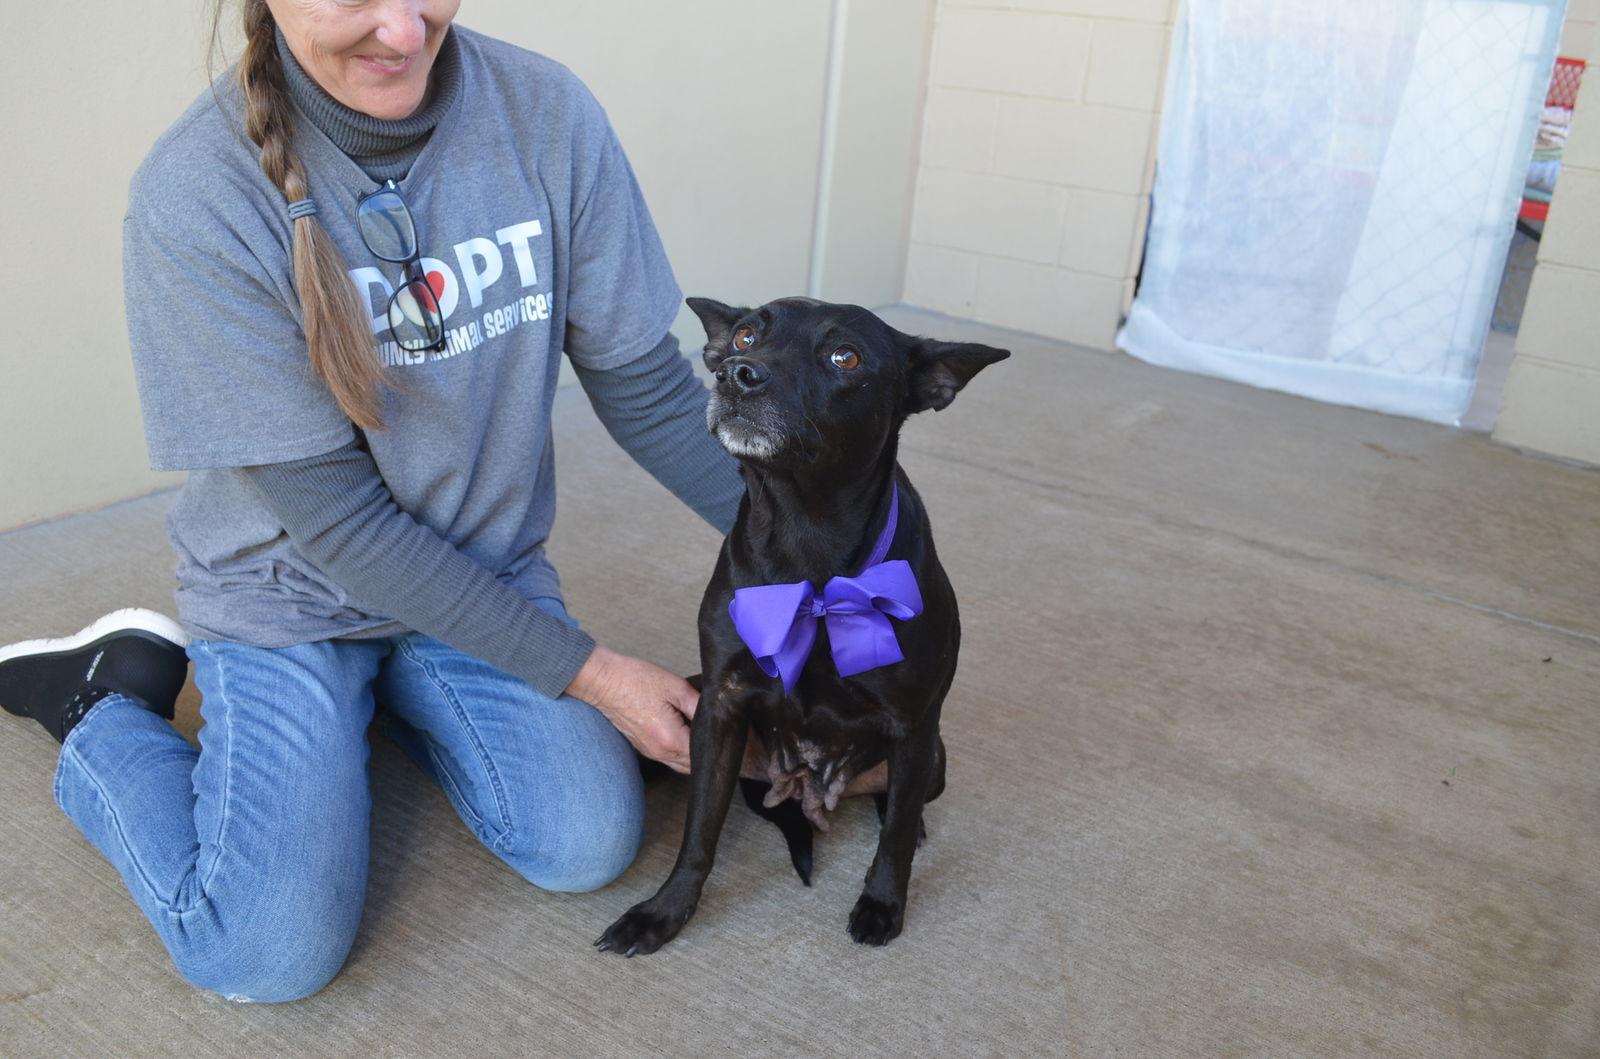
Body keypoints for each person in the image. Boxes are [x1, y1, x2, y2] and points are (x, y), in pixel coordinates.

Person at [0, 0, 743, 1003]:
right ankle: (93, 700)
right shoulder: (196, 194)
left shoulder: (546, 113)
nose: (401, 29)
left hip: (478, 566)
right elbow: (343, 528)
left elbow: (648, 390)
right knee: (263, 955)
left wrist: (846, 560)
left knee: (587, 841)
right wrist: (591, 673)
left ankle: (398, 689)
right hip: (291, 598)